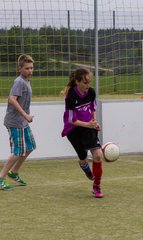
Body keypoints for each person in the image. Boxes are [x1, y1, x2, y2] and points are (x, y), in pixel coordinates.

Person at [0, 54, 36, 190]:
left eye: (31, 68)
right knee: (17, 151)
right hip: (15, 122)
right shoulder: (19, 82)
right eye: (27, 68)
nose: (30, 71)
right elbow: (12, 99)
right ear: (20, 69)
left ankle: (14, 172)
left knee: (30, 146)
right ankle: (0, 178)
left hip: (23, 122)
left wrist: (25, 117)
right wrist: (25, 115)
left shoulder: (26, 81)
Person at [61, 68, 104, 198]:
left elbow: (92, 107)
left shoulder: (91, 92)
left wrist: (94, 122)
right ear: (77, 82)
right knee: (83, 159)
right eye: (85, 83)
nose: (88, 85)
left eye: (89, 82)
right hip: (73, 130)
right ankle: (85, 168)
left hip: (88, 127)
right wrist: (88, 124)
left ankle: (96, 186)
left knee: (97, 155)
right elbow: (71, 120)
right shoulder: (71, 97)